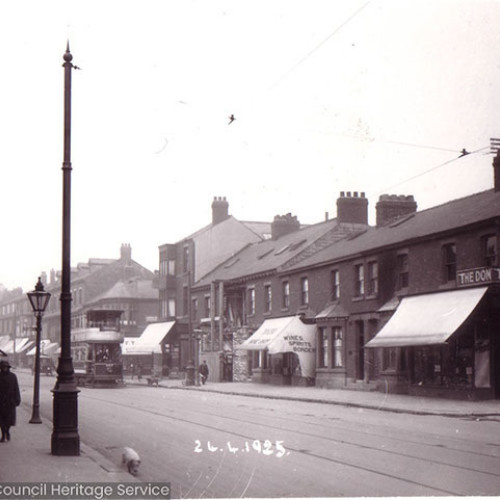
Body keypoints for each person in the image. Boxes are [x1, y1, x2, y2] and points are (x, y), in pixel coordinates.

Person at [0, 360, 21, 442]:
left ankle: (7, 431)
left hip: (10, 401)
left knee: (9, 420)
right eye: (3, 367)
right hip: (1, 401)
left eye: (5, 367)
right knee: (1, 420)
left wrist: (17, 399)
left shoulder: (13, 376)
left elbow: (16, 388)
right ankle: (3, 435)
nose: (4, 368)